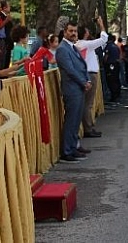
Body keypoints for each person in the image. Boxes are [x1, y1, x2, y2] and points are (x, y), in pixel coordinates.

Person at [56, 21, 91, 163]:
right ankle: (67, 151)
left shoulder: (72, 47)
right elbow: (70, 70)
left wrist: (87, 80)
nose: (73, 33)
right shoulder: (62, 49)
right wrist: (83, 82)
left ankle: (73, 146)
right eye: (70, 31)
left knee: (76, 120)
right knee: (71, 120)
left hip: (79, 88)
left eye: (75, 31)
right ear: (64, 32)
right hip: (72, 89)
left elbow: (81, 66)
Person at [75, 17, 108, 138]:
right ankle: (88, 127)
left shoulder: (78, 45)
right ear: (85, 33)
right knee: (88, 103)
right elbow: (104, 39)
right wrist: (101, 24)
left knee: (86, 103)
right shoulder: (86, 44)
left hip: (84, 73)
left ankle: (87, 126)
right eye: (87, 31)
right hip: (90, 74)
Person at [103, 34, 122, 103]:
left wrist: (103, 63)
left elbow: (106, 57)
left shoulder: (109, 46)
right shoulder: (116, 46)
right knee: (116, 79)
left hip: (110, 65)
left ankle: (113, 96)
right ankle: (118, 94)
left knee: (111, 80)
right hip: (116, 64)